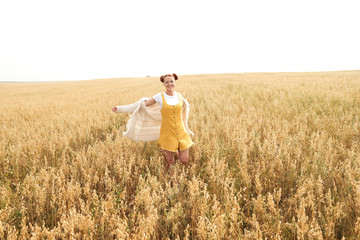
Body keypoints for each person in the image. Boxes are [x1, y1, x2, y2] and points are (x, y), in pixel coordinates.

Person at [144, 73, 193, 174]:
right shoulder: (159, 96)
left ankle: (181, 174)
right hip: (167, 134)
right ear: (164, 84)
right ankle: (173, 184)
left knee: (184, 160)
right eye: (167, 82)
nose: (169, 84)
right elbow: (144, 104)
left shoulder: (179, 96)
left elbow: (184, 106)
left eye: (171, 81)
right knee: (170, 163)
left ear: (175, 82)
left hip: (181, 132)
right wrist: (120, 109)